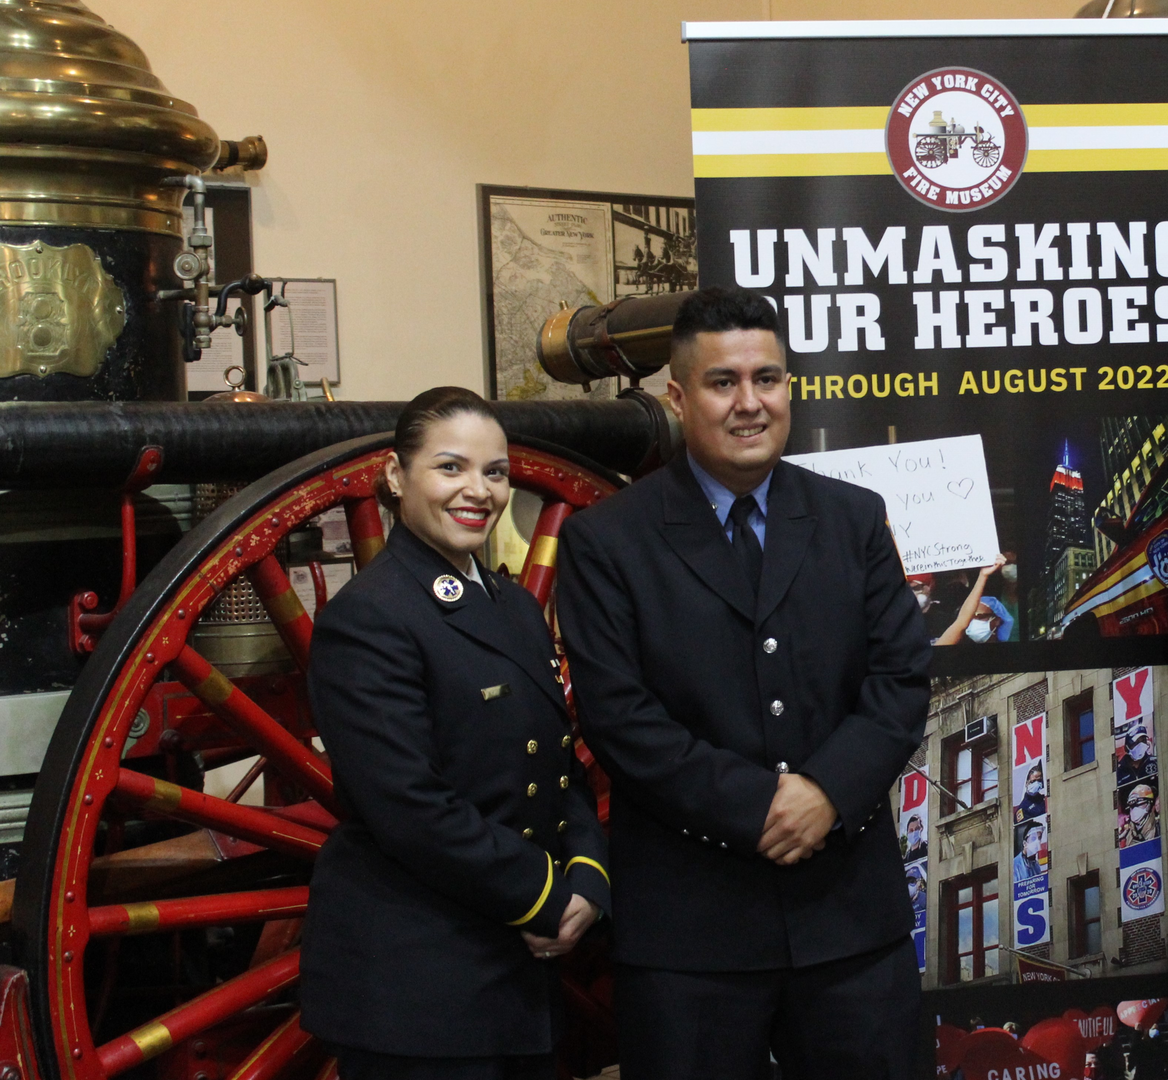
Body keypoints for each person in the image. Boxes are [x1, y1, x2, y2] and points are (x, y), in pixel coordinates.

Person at [556, 285, 931, 1078]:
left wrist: (827, 792)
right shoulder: (606, 542)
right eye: (724, 382)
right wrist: (763, 806)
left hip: (848, 923)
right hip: (690, 933)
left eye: (769, 378)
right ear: (678, 396)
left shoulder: (853, 518)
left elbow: (902, 677)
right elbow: (619, 719)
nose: (750, 403)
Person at [302, 387, 610, 1080]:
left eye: (494, 472)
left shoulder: (514, 611)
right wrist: (545, 893)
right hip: (419, 987)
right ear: (394, 475)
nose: (478, 491)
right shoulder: (370, 618)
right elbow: (410, 808)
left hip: (516, 980)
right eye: (450, 468)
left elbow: (560, 765)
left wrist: (588, 874)